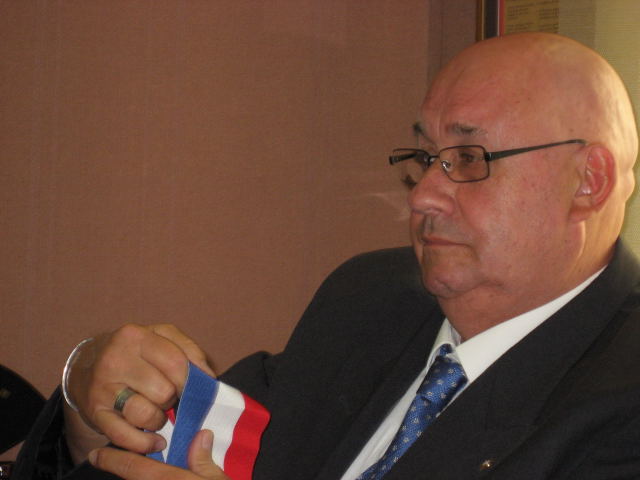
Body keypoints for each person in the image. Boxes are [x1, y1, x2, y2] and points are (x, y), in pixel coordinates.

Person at [15, 31, 640, 480]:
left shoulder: (620, 399)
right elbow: (174, 439)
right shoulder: (372, 298)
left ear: (589, 182)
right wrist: (94, 393)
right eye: (425, 157)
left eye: (468, 159)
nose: (423, 195)